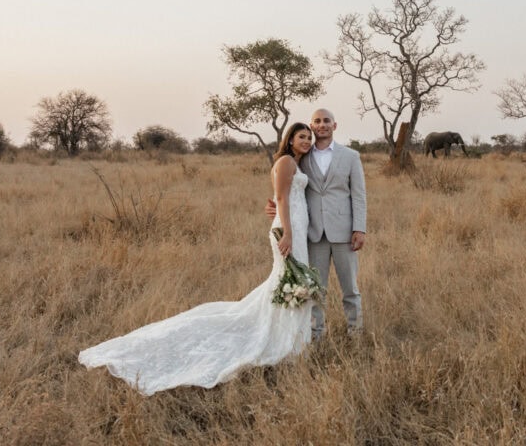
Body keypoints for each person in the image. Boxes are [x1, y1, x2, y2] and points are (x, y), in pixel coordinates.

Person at [78, 123, 315, 395]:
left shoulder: (298, 163)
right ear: (291, 140)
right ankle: (282, 343)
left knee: (290, 282)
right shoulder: (285, 161)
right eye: (301, 136)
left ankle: (288, 340)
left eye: (308, 137)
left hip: (296, 225)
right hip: (289, 230)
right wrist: (286, 232)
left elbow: (282, 197)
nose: (306, 141)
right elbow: (283, 198)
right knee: (289, 281)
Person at [267, 108, 367, 339]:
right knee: (315, 288)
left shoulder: (351, 156)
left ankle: (356, 332)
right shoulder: (301, 156)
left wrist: (359, 228)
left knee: (350, 288)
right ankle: (316, 334)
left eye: (326, 121)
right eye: (317, 121)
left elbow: (359, 195)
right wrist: (274, 207)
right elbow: (286, 188)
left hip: (344, 232)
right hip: (312, 234)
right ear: (312, 126)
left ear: (335, 125)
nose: (322, 125)